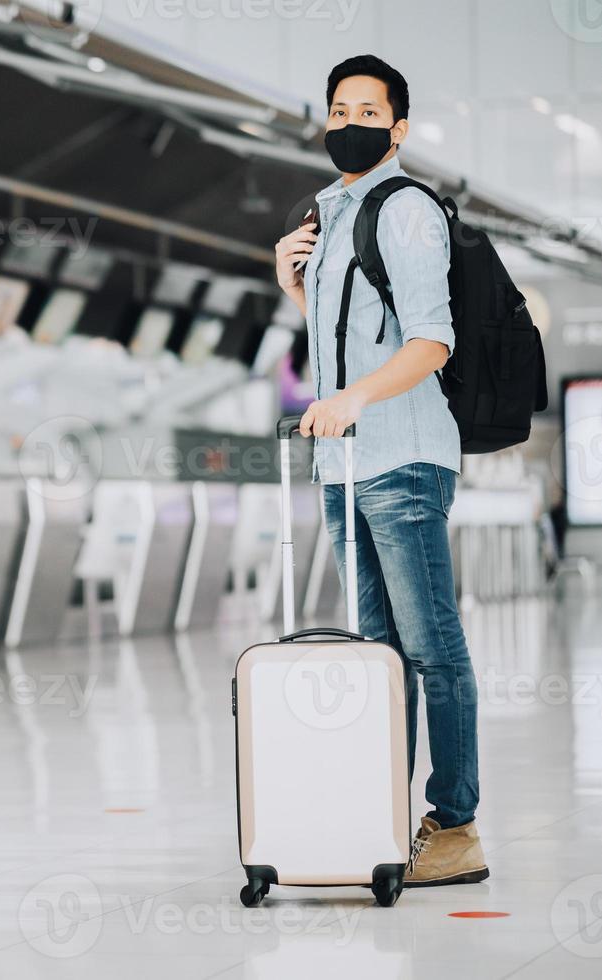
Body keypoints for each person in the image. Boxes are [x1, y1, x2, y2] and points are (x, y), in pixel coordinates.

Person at [273, 54, 487, 887]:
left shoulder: (403, 211)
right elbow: (343, 346)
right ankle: (378, 814)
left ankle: (456, 825)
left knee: (431, 648)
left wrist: (355, 401)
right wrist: (290, 282)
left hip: (400, 460)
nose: (348, 121)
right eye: (337, 107)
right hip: (344, 462)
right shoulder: (329, 212)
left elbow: (430, 342)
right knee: (377, 654)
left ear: (397, 128)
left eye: (367, 109)